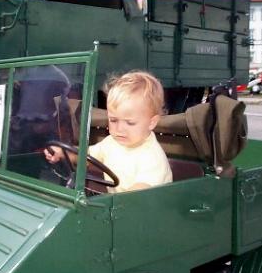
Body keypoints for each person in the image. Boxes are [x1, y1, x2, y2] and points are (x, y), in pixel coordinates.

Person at [44, 71, 173, 193]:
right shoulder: (112, 142)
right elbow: (86, 157)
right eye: (113, 120)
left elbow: (139, 193)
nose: (119, 129)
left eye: (130, 123)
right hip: (118, 207)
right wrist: (64, 153)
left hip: (146, 211)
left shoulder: (152, 157)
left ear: (152, 122)